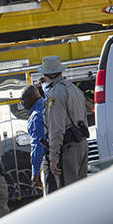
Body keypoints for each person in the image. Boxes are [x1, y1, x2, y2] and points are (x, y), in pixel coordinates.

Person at [40, 55, 89, 190]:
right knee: (82, 192)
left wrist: (53, 156)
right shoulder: (74, 89)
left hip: (68, 149)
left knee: (69, 194)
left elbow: (56, 128)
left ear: (46, 74)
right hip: (81, 145)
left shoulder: (55, 94)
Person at [21, 84, 55, 196]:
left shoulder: (36, 117)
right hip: (61, 154)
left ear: (32, 97)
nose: (21, 103)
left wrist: (35, 172)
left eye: (23, 99)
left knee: (51, 195)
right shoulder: (50, 105)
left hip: (50, 160)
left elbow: (37, 145)